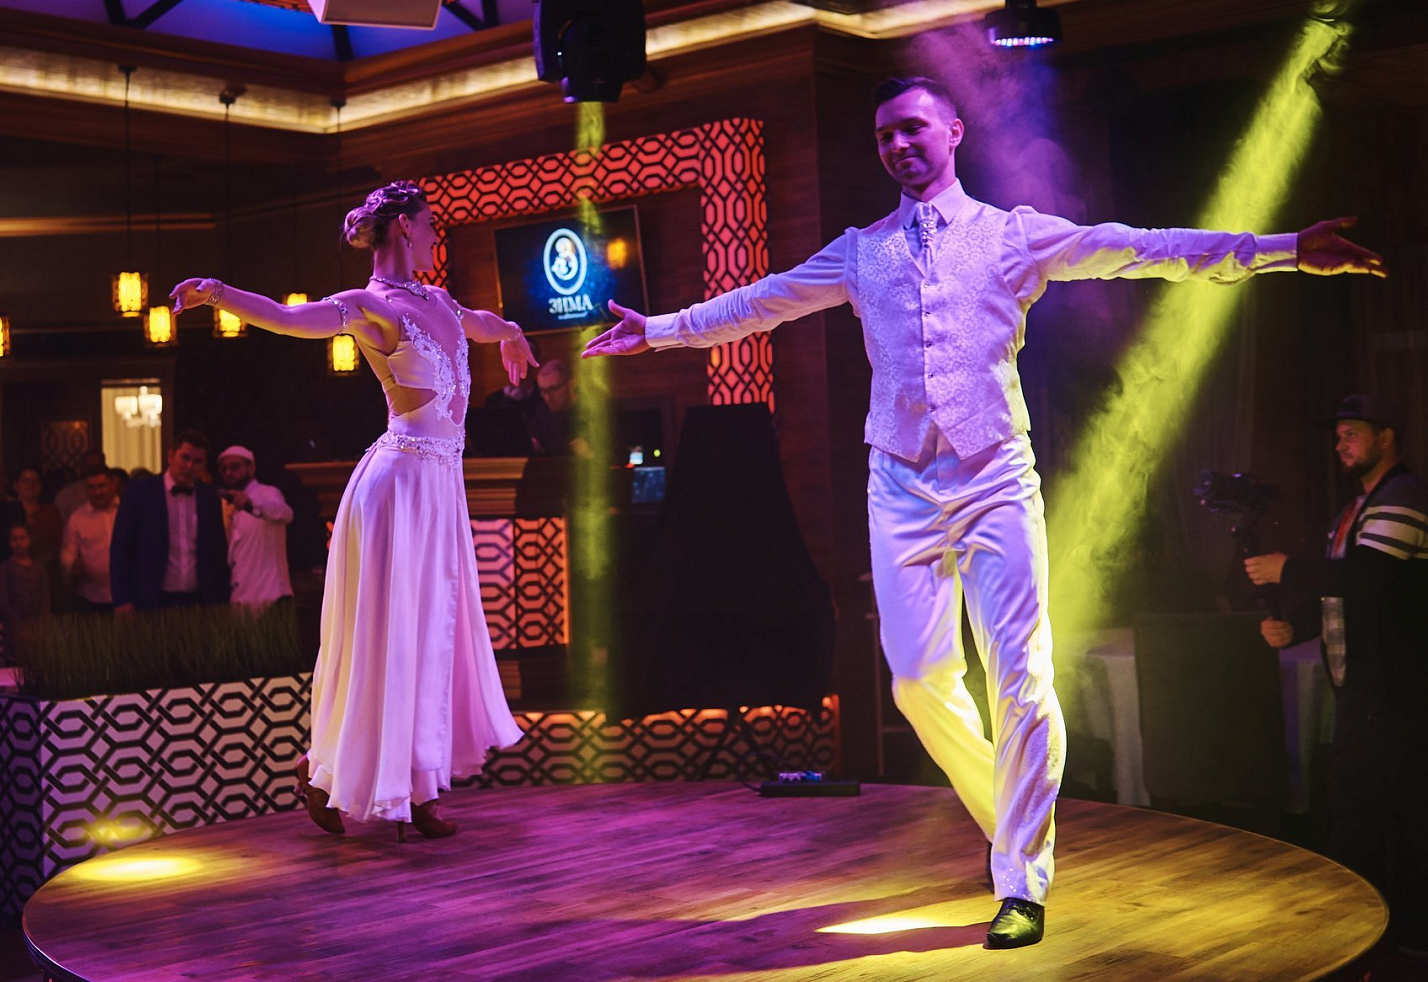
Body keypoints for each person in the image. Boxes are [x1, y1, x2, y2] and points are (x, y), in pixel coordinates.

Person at [583, 76, 1385, 948]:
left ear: (953, 131)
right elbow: (760, 303)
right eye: (884, 134)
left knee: (1020, 676)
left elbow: (1138, 248)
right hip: (898, 480)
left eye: (912, 128)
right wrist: (659, 329)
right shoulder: (860, 251)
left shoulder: (1012, 235)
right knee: (917, 681)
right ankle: (1010, 827)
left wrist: (1280, 251)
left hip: (994, 473)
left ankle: (1022, 880)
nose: (897, 144)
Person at [170, 180, 529, 840]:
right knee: (386, 635)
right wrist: (218, 293)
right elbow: (288, 318)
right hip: (397, 486)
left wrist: (508, 330)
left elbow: (474, 323)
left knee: (431, 632)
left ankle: (420, 784)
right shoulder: (368, 305)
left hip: (440, 486)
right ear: (403, 227)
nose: (434, 234)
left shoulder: (438, 299)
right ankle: (326, 773)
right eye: (428, 223)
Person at [1245, 395, 1427, 953]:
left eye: (1352, 433)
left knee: (1388, 814)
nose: (1340, 444)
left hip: (1397, 692)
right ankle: (1376, 932)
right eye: (1339, 435)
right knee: (1369, 811)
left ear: (1387, 437)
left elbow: (1369, 580)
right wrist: (1297, 628)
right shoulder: (1358, 508)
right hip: (1366, 693)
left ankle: (1379, 934)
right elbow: (1345, 596)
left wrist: (1287, 569)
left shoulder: (1403, 495)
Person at [109, 429, 230, 612]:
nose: (189, 466)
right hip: (150, 599)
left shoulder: (209, 496)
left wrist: (221, 600)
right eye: (185, 458)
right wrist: (122, 599)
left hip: (199, 600)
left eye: (197, 461)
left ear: (204, 464)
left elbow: (217, 551)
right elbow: (121, 547)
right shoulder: (140, 491)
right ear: (171, 456)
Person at [217, 445, 294, 610]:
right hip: (241, 602)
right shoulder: (228, 504)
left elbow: (285, 513)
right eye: (224, 469)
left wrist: (251, 504)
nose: (228, 473)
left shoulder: (267, 493)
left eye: (234, 467)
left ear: (251, 468)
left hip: (271, 598)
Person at [59, 466, 119, 614]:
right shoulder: (78, 518)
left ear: (113, 484)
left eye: (102, 486)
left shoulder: (127, 510)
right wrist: (72, 563)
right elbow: (67, 552)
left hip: (126, 596)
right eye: (91, 487)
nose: (97, 492)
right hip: (91, 597)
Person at [0, 522, 51, 624]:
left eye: (22, 538)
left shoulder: (39, 568)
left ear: (29, 540)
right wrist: (17, 622)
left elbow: (45, 598)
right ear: (10, 543)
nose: (18, 542)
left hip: (38, 625)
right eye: (14, 539)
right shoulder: (5, 568)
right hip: (14, 624)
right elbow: (3, 602)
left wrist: (43, 621)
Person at [13, 467, 63, 564]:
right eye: (26, 480)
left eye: (35, 481)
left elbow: (59, 543)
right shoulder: (8, 511)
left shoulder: (51, 512)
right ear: (16, 485)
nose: (30, 484)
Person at [55, 448, 108, 523]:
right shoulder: (66, 494)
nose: (93, 470)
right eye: (89, 466)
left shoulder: (112, 490)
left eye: (96, 466)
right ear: (82, 467)